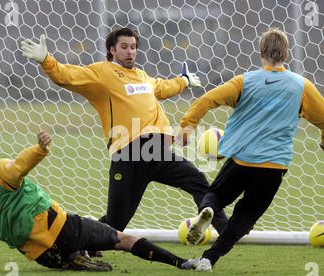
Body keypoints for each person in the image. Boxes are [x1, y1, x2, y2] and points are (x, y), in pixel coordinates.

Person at [19, 27, 229, 235]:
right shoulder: (102, 73)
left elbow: (163, 88)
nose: (130, 51)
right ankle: (74, 241)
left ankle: (225, 232)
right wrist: (45, 59)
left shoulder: (141, 76)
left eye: (134, 47)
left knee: (198, 181)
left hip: (156, 152)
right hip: (128, 153)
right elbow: (66, 76)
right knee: (115, 224)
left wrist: (184, 80)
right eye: (124, 47)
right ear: (112, 50)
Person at [176, 28, 324, 271]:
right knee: (245, 217)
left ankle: (207, 210)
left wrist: (188, 126)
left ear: (261, 53)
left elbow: (207, 99)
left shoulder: (245, 81)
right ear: (287, 54)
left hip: (242, 159)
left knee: (215, 196)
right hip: (274, 166)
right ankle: (209, 259)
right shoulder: (300, 85)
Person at [0, 131, 195, 272]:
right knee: (122, 239)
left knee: (85, 234)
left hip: (41, 257)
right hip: (62, 229)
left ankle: (77, 256)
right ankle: (181, 263)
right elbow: (18, 167)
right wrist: (39, 150)